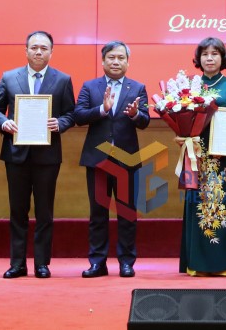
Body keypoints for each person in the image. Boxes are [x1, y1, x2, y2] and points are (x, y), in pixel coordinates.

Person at [0, 31, 76, 279]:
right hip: (16, 154)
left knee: (44, 211)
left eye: (44, 48)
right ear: (26, 50)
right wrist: (4, 123)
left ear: (51, 52)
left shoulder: (62, 80)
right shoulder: (9, 77)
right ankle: (17, 263)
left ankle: (41, 263)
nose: (39, 52)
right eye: (34, 48)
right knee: (17, 210)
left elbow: (70, 113)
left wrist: (59, 123)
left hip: (47, 156)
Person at [73, 41, 149, 278]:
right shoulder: (90, 86)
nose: (116, 62)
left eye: (120, 58)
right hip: (98, 160)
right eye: (111, 58)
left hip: (127, 160)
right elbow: (78, 116)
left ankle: (127, 262)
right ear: (103, 61)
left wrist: (136, 114)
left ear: (127, 62)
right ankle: (98, 262)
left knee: (127, 214)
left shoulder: (137, 88)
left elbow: (145, 121)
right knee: (98, 213)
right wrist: (102, 110)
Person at [178, 37, 226, 277]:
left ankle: (225, 263)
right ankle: (196, 263)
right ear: (198, 58)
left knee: (224, 204)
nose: (209, 58)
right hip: (197, 154)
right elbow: (181, 118)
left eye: (215, 53)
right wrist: (181, 135)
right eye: (205, 54)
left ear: (223, 57)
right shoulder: (190, 85)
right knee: (198, 205)